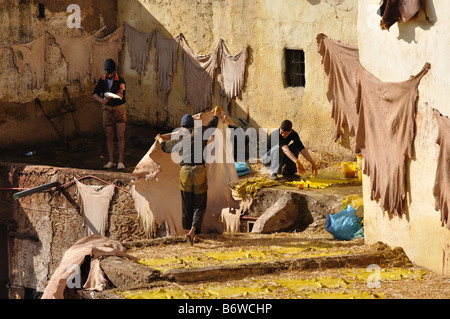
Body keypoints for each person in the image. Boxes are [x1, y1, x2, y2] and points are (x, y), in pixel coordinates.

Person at [156, 106, 223, 245]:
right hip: (199, 171)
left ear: (182, 127)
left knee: (187, 204)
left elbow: (164, 147)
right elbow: (213, 123)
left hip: (184, 173)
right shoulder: (202, 132)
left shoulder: (180, 138)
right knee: (199, 205)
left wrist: (160, 139)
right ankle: (192, 232)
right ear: (193, 125)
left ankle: (190, 234)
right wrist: (216, 113)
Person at [92, 58, 127, 170]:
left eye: (110, 72)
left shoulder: (120, 80)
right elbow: (94, 93)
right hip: (107, 110)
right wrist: (101, 100)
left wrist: (111, 96)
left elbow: (121, 94)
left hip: (119, 109)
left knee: (120, 135)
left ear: (114, 71)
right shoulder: (102, 80)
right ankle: (111, 160)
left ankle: (120, 161)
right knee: (109, 135)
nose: (109, 74)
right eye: (107, 72)